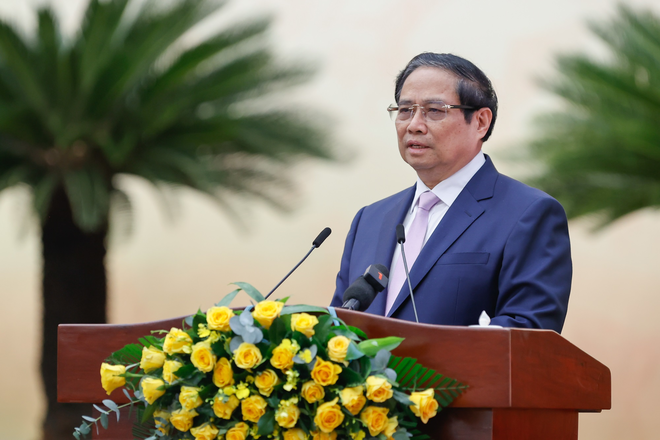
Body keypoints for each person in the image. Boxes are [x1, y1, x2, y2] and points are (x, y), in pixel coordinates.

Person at [329, 53, 572, 333]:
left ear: (480, 122)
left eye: (435, 110)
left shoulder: (528, 213)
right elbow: (338, 325)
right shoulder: (369, 220)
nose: (414, 125)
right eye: (405, 110)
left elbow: (528, 333)